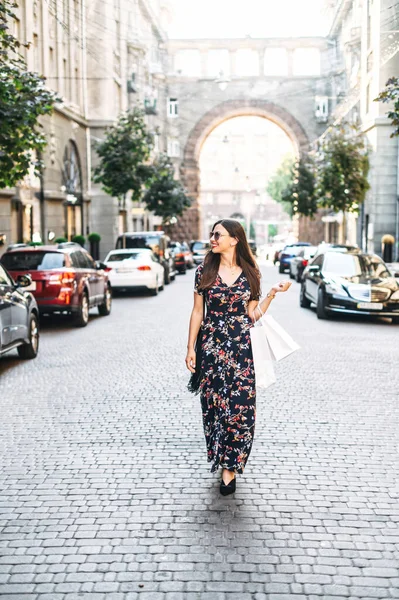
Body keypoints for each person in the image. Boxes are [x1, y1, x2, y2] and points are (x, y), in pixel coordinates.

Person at [186, 219, 291, 496]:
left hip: (243, 350)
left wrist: (271, 294)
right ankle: (220, 456)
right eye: (211, 233)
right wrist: (190, 348)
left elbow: (252, 315)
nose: (212, 238)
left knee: (241, 410)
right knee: (215, 408)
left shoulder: (250, 272)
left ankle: (230, 467)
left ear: (234, 239)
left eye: (217, 234)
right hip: (211, 348)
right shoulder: (204, 271)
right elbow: (198, 311)